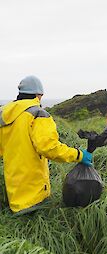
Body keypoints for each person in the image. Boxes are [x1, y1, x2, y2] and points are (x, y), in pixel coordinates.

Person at [0, 75, 92, 215]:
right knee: (39, 229)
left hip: (13, 192)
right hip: (34, 193)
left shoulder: (4, 116)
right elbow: (50, 148)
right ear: (38, 95)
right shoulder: (38, 114)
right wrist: (79, 155)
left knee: (21, 230)